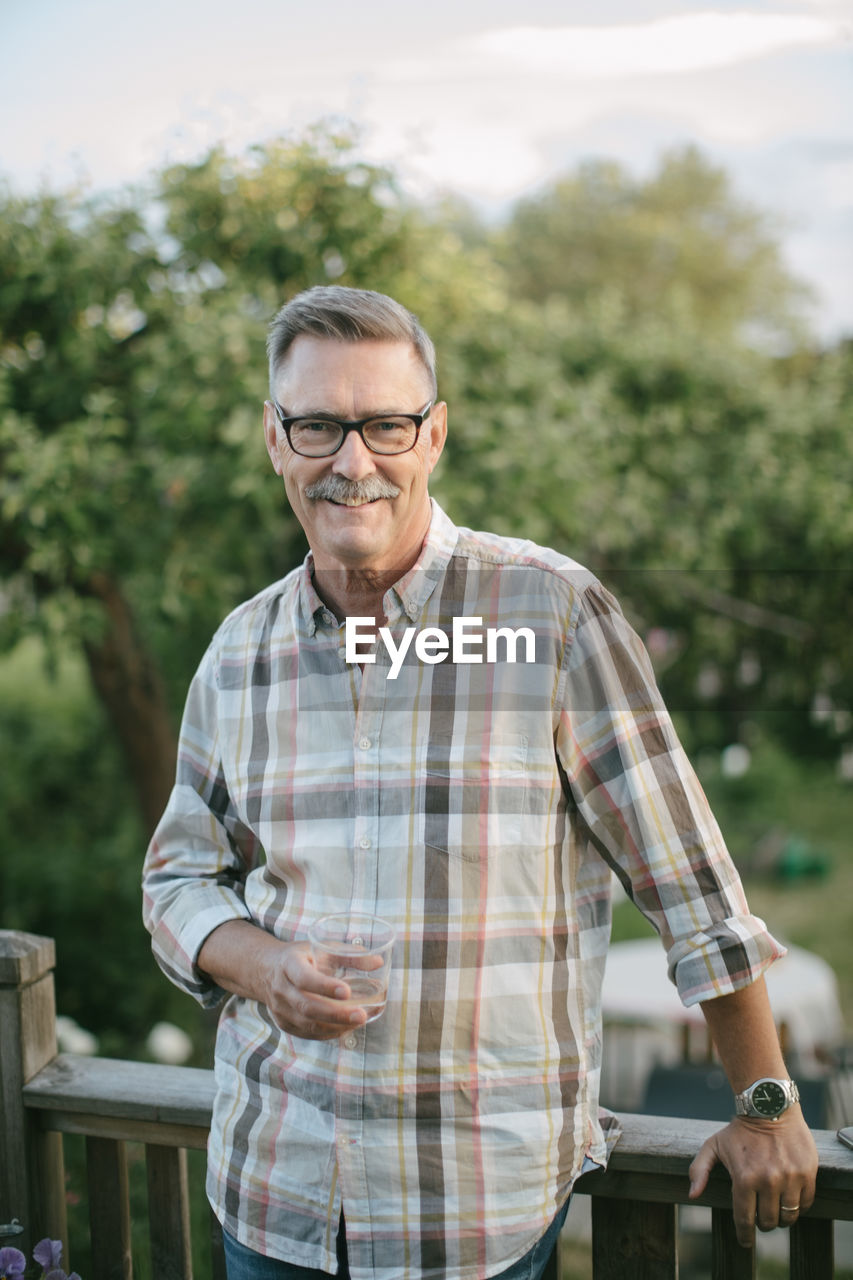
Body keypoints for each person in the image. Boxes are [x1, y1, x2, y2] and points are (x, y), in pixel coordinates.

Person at [142, 285, 818, 1280]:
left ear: (435, 434)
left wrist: (767, 1102)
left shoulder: (550, 612)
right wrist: (259, 964)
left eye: (385, 424)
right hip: (273, 1200)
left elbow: (692, 888)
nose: (352, 460)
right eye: (319, 424)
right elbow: (174, 880)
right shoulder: (241, 650)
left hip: (476, 1212)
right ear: (275, 438)